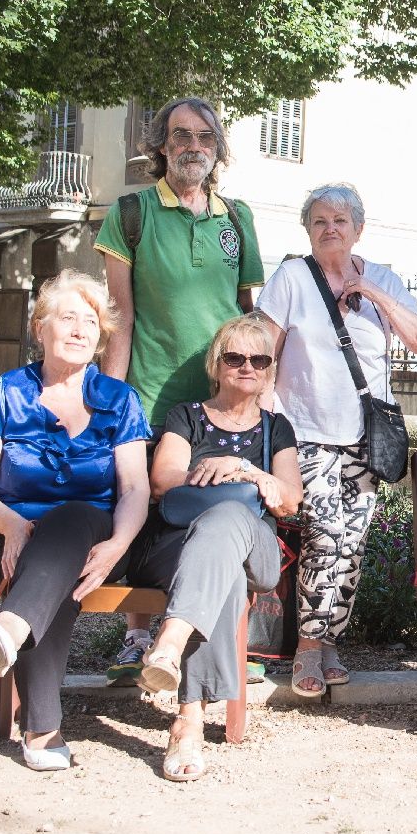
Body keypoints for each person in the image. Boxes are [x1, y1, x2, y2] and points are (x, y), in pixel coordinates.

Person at [93, 96, 265, 682]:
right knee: (143, 508)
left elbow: (249, 314)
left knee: (218, 510)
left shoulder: (238, 218)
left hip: (222, 401)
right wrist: (110, 405)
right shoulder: (132, 212)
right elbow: (121, 314)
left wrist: (258, 392)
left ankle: (208, 634)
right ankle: (137, 637)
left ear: (217, 149)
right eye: (181, 135)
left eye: (205, 137)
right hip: (149, 396)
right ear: (161, 146)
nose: (193, 145)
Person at [0, 271, 150, 771]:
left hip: (100, 543)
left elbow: (133, 489)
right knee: (50, 565)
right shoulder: (3, 394)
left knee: (72, 519)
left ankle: (15, 636)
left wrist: (117, 545)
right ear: (40, 327)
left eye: (91, 321)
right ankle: (40, 723)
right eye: (68, 318)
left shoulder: (120, 400)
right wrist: (14, 525)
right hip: (7, 543)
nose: (81, 330)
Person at [256, 183, 417, 694]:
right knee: (324, 536)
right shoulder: (292, 278)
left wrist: (370, 294)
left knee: (350, 548)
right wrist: (266, 422)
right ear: (308, 230)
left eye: (340, 220)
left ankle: (330, 640)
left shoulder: (384, 279)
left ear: (359, 228)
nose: (330, 229)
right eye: (319, 221)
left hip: (365, 436)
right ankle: (309, 649)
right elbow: (266, 351)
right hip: (305, 432)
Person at [142, 314, 302, 780]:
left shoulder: (277, 428)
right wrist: (211, 466)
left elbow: (290, 501)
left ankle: (170, 640)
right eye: (235, 357)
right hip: (182, 546)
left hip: (259, 551)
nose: (246, 366)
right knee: (224, 573)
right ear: (217, 364)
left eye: (258, 359)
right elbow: (161, 481)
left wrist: (248, 471)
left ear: (269, 369)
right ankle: (188, 721)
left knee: (231, 517)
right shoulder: (186, 416)